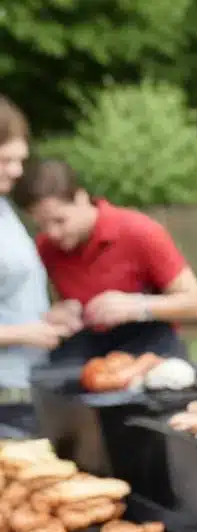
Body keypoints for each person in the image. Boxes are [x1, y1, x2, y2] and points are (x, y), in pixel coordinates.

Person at [17, 159, 197, 365]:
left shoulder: (140, 232)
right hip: (86, 356)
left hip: (150, 353)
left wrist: (137, 306)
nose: (52, 233)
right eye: (42, 225)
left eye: (60, 221)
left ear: (81, 199)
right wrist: (58, 313)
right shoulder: (45, 247)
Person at [0, 96, 77, 389]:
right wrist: (23, 333)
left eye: (19, 160)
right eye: (5, 160)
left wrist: (44, 318)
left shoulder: (5, 209)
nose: (17, 171)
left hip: (26, 384)